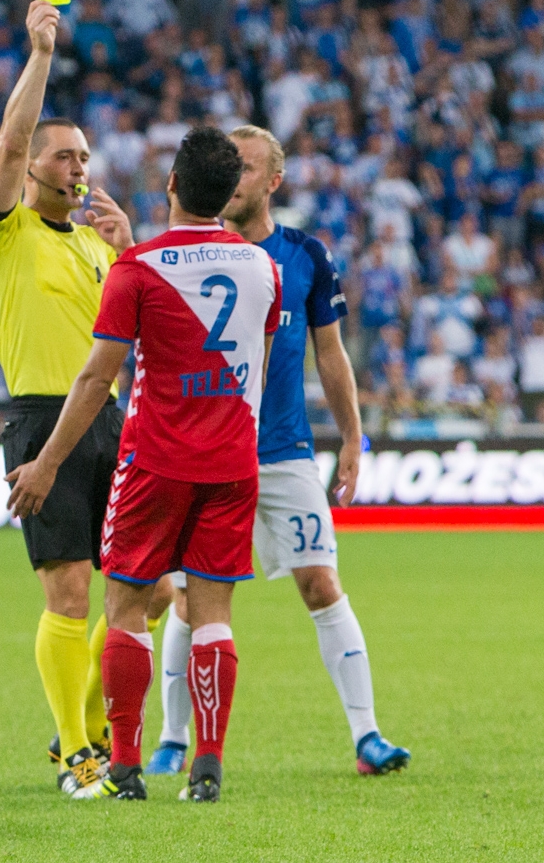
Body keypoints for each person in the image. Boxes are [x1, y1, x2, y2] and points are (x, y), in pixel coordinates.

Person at [7, 126, 280, 804]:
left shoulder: (138, 268)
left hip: (155, 457)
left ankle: (124, 762)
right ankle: (208, 764)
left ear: (172, 187)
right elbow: (261, 368)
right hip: (232, 458)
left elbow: (97, 377)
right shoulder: (262, 268)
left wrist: (45, 461)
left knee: (126, 605)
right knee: (211, 611)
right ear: (228, 193)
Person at [144, 124, 410, 777]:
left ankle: (367, 735)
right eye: (229, 168)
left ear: (274, 181)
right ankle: (173, 739)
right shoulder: (189, 256)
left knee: (321, 583)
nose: (235, 178)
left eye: (250, 167)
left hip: (283, 449)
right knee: (187, 596)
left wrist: (351, 435)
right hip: (205, 451)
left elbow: (330, 352)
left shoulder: (305, 256)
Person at [0, 0, 137, 796]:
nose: (80, 168)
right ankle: (80, 755)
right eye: (65, 156)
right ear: (32, 166)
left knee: (156, 586)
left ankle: (85, 720)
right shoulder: (4, 231)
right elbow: (8, 138)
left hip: (109, 419)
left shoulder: (102, 250)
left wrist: (131, 253)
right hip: (42, 417)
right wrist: (39, 55)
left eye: (84, 157)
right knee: (70, 589)